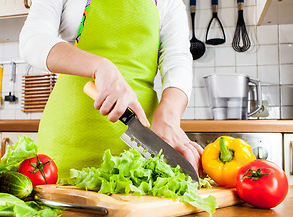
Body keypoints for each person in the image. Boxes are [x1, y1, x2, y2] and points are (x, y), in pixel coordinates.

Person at [19, 0, 203, 179]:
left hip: (140, 145)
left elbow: (177, 59)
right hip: (64, 140)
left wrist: (168, 117)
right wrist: (100, 66)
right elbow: (34, 39)